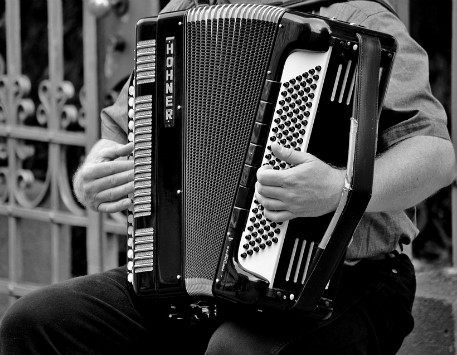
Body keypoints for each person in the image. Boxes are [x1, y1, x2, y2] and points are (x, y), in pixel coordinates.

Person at [0, 0, 455, 354]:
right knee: (34, 322)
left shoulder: (361, 19)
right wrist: (92, 176)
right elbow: (118, 134)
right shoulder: (182, 16)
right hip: (189, 281)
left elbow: (435, 155)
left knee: (239, 349)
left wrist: (338, 189)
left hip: (348, 279)